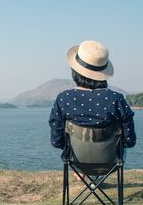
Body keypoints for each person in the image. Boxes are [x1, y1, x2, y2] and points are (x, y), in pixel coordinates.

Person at [49, 40, 136, 180]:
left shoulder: (64, 98)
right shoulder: (117, 99)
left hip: (75, 160)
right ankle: (95, 178)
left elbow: (57, 141)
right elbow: (130, 140)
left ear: (75, 72)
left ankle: (84, 175)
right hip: (110, 162)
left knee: (80, 148)